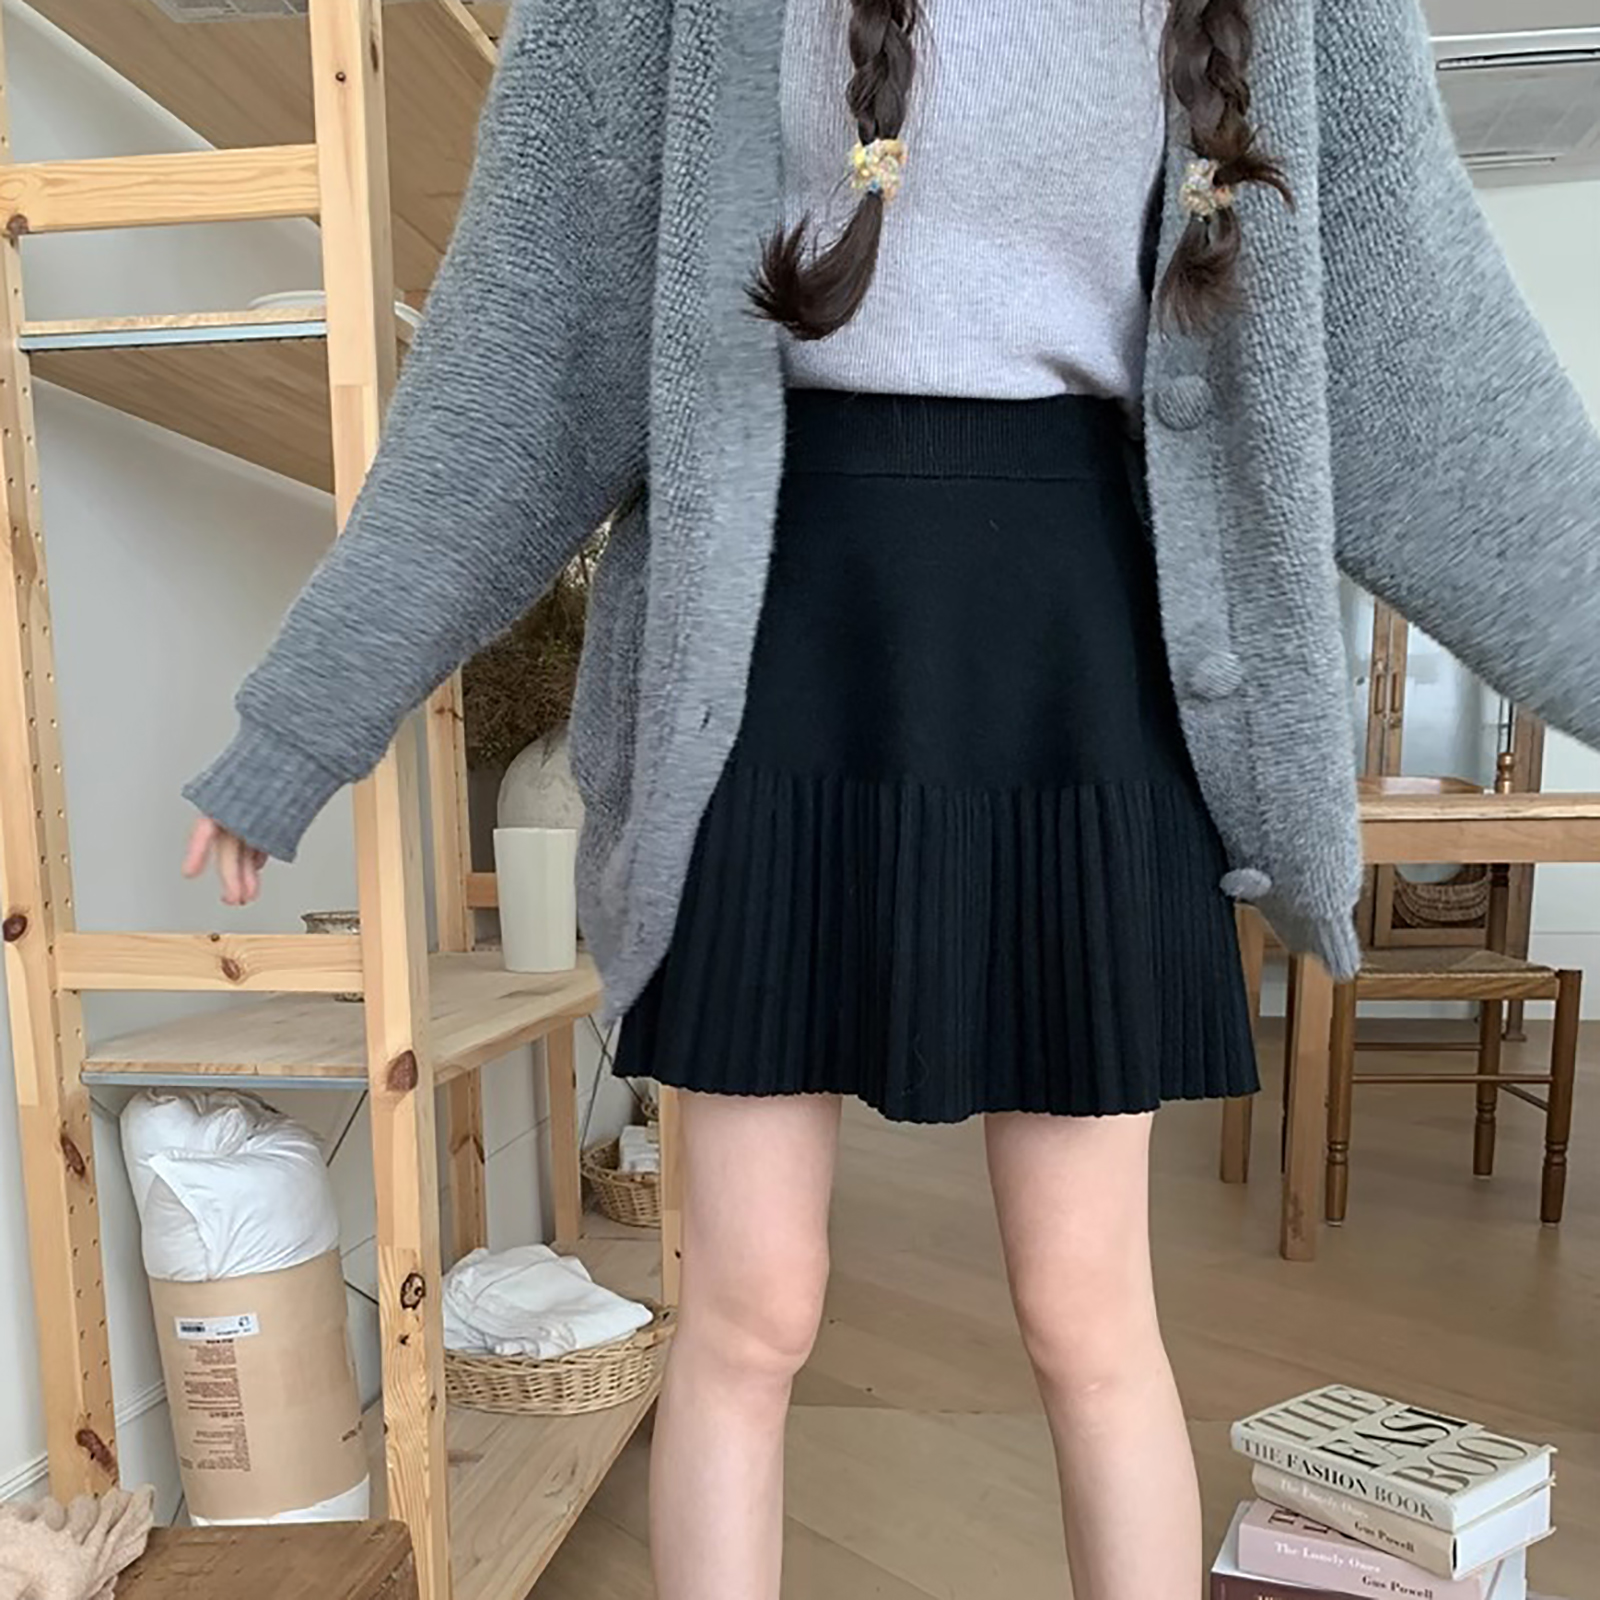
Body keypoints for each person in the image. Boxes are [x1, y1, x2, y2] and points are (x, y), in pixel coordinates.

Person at [180, 1, 1600, 1594]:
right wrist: (305, 721)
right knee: (749, 1313)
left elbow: (1429, 364)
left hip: (1085, 668)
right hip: (773, 647)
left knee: (1090, 1316)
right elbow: (526, 352)